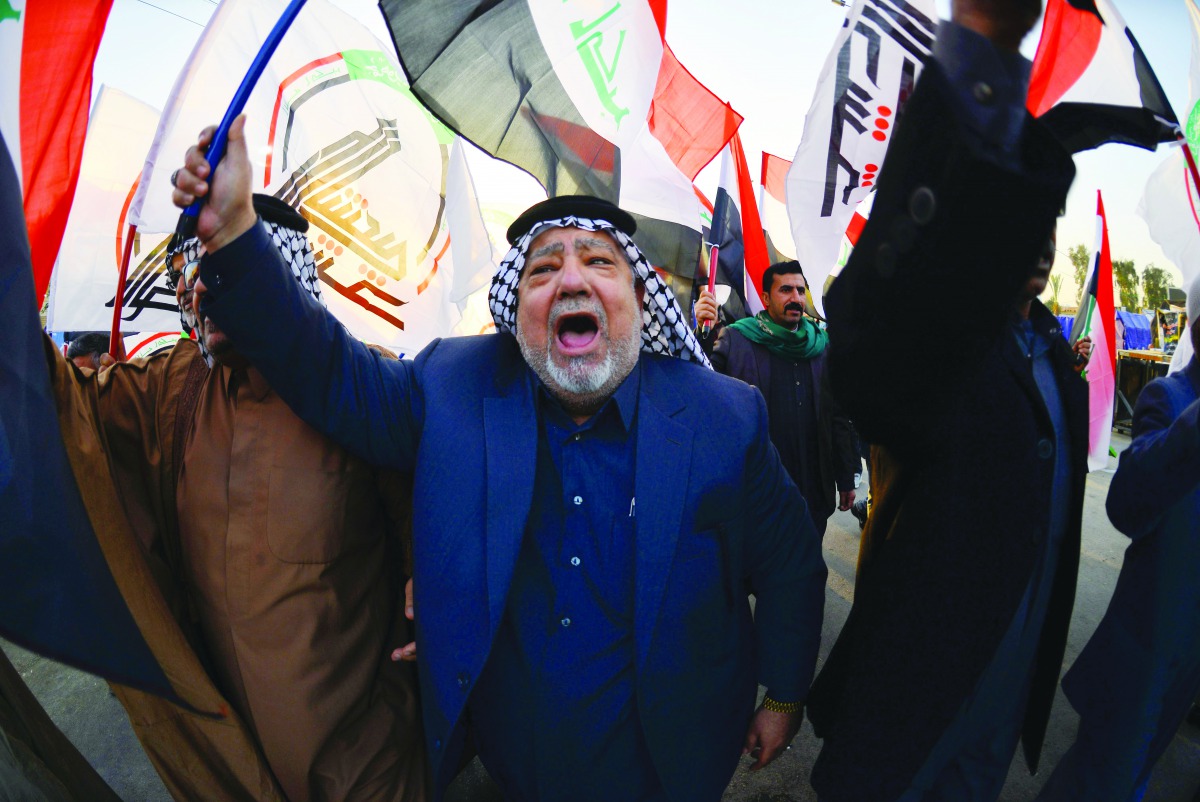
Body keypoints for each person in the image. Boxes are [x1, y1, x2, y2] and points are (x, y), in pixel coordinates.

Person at [171, 118, 827, 801]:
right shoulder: (451, 385)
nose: (570, 279)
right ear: (518, 310)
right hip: (510, 768)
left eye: (599, 262)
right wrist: (239, 234)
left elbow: (788, 567)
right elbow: (328, 371)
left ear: (640, 299)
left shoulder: (726, 417)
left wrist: (784, 696)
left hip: (669, 766)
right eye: (544, 268)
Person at [43, 196, 427, 802]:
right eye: (191, 276)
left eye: (226, 273)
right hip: (232, 771)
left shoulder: (360, 386)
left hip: (366, 768)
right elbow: (67, 408)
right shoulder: (172, 387)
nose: (203, 293)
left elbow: (430, 534)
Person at [803, 1, 1088, 800]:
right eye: (1015, 222)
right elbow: (872, 365)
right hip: (908, 708)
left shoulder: (1060, 368)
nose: (1036, 243)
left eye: (1047, 228)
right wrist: (987, 46)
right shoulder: (942, 350)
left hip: (999, 708)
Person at [1035, 273, 1200, 802]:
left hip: (1188, 664)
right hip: (1147, 651)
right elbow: (1126, 505)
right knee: (1101, 781)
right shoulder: (1169, 399)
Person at [695, 261, 858, 537]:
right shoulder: (736, 340)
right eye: (786, 290)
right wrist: (700, 329)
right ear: (767, 299)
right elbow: (701, 386)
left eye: (799, 290)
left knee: (808, 570)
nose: (795, 298)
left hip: (812, 490)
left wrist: (846, 476)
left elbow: (839, 416)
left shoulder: (822, 346)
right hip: (757, 490)